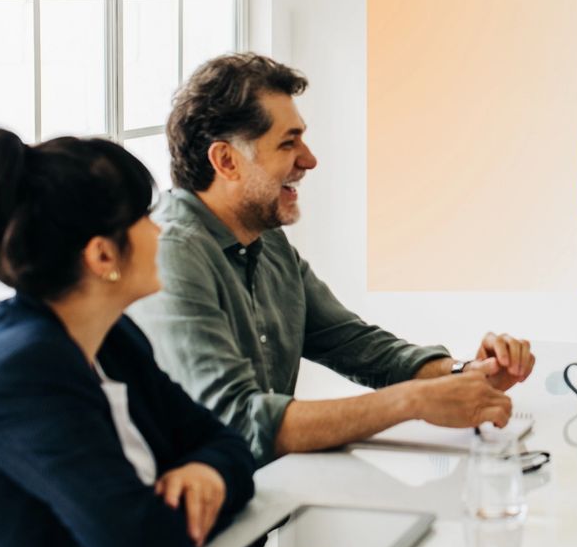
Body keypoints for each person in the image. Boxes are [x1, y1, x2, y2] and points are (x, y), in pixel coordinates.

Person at [129, 53, 537, 466]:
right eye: (288, 143)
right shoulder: (171, 255)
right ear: (226, 161)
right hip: (192, 522)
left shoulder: (268, 242)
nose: (309, 159)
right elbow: (241, 423)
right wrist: (413, 401)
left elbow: (358, 346)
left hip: (261, 506)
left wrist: (464, 374)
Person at [0, 130, 255, 547]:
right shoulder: (20, 376)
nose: (160, 229)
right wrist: (210, 484)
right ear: (103, 254)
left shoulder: (112, 338)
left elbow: (227, 441)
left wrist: (205, 472)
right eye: (144, 217)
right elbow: (143, 545)